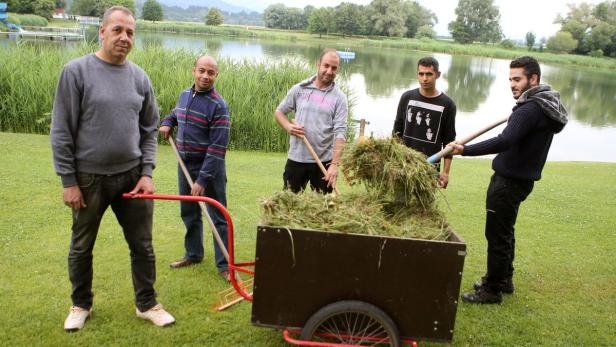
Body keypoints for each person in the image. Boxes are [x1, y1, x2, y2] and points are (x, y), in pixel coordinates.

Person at [51, 6, 175, 331]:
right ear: (102, 31)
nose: (124, 37)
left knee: (142, 245)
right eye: (118, 30)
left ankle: (147, 304)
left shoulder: (140, 77)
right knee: (82, 244)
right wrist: (68, 181)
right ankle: (81, 305)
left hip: (132, 178)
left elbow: (149, 129)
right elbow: (62, 129)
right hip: (88, 179)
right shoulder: (75, 72)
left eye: (130, 32)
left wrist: (147, 172)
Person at [447, 56, 568, 304]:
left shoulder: (530, 109)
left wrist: (464, 150)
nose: (512, 84)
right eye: (510, 79)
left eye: (517, 79)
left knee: (497, 235)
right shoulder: (543, 106)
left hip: (509, 182)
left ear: (533, 79)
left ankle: (492, 290)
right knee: (505, 231)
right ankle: (504, 280)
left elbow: (504, 141)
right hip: (521, 181)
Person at [159, 56, 232, 281]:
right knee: (189, 212)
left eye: (210, 72)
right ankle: (193, 254)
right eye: (202, 71)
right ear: (194, 71)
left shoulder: (218, 105)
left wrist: (202, 180)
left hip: (210, 169)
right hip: (185, 164)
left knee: (218, 215)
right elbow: (176, 113)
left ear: (216, 76)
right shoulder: (184, 95)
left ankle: (225, 266)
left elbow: (217, 147)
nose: (205, 76)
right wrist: (167, 122)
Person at [275, 48, 348, 193]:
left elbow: (340, 132)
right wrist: (288, 126)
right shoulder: (300, 89)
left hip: (323, 162)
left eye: (334, 68)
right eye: (326, 66)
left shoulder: (340, 98)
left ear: (337, 70)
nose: (329, 71)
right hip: (297, 159)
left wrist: (334, 164)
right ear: (318, 64)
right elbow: (279, 112)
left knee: (323, 209)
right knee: (289, 206)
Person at [393, 56, 456, 188]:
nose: (424, 78)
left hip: (429, 168)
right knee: (399, 204)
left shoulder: (448, 104)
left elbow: (449, 142)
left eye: (429, 74)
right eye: (421, 74)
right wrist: (393, 160)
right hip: (404, 164)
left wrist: (445, 172)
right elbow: (396, 132)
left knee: (423, 207)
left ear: (438, 75)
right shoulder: (407, 97)